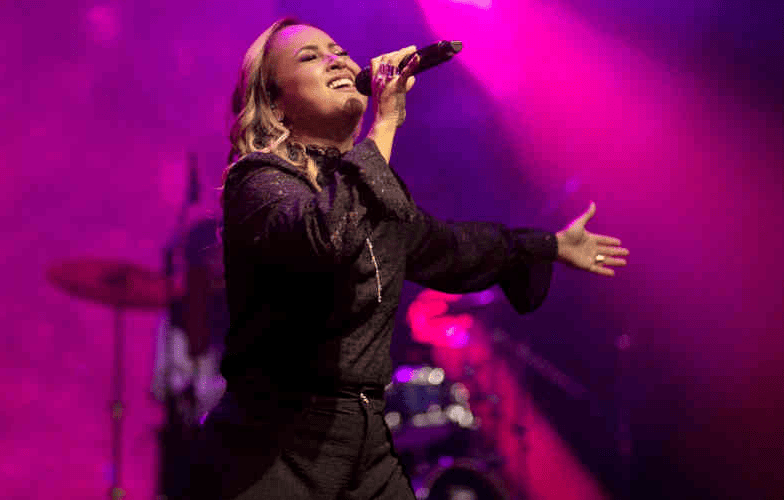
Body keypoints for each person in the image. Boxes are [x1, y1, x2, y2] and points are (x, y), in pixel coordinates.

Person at [197, 17, 629, 500]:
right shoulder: (257, 182)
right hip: (274, 446)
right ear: (276, 103)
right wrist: (384, 124)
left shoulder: (370, 191)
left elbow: (449, 248)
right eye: (310, 57)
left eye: (339, 50)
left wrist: (547, 245)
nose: (337, 59)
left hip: (362, 441)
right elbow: (326, 235)